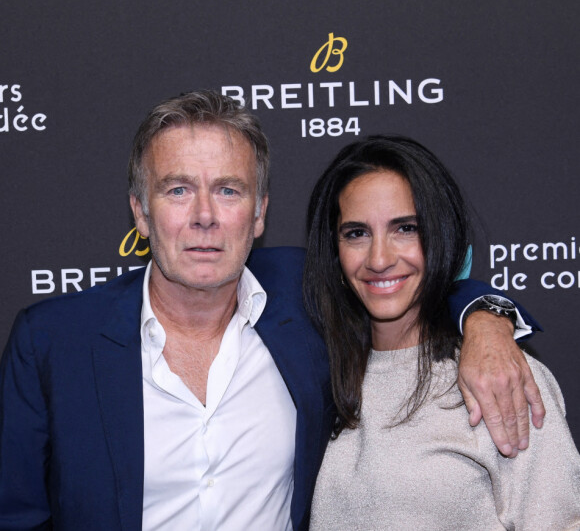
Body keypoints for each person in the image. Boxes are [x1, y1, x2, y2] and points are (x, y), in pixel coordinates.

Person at [0, 92, 541, 531]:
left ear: (259, 213)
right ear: (141, 213)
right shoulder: (53, 342)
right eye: (179, 190)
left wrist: (485, 319)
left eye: (229, 191)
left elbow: (401, 273)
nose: (205, 217)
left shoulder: (306, 297)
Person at [305, 135, 580, 530]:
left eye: (405, 228)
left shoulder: (499, 376)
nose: (379, 259)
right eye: (356, 233)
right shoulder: (318, 373)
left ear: (441, 236)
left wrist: (487, 317)